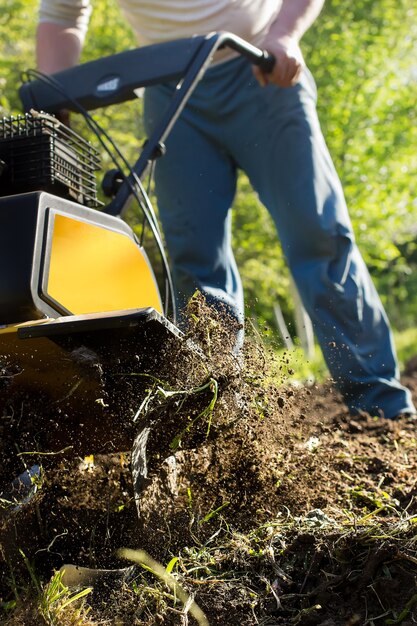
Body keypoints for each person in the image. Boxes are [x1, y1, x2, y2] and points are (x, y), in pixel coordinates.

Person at [36, 0, 416, 420]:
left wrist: (285, 32)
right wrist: (53, 102)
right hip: (172, 86)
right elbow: (63, 14)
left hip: (262, 65)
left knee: (318, 235)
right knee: (194, 258)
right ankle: (218, 413)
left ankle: (380, 406)